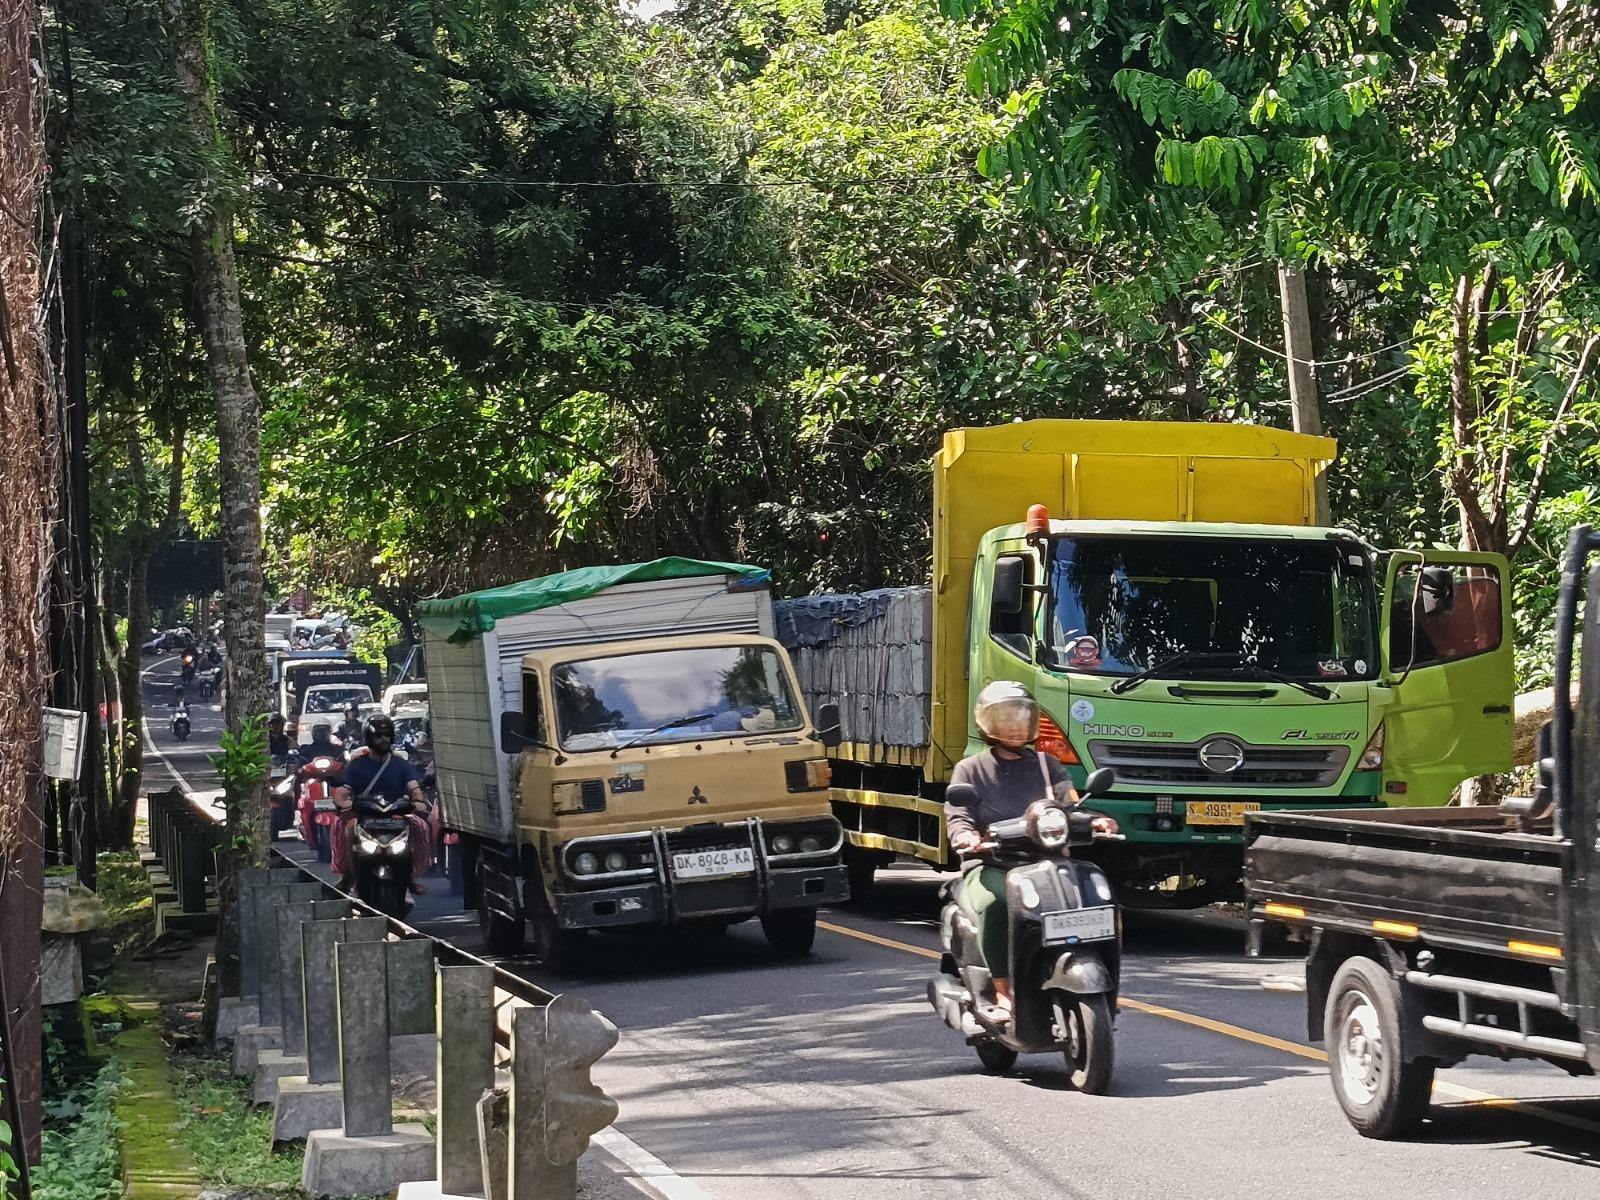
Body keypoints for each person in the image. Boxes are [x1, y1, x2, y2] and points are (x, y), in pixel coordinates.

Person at [944, 680, 1115, 1021]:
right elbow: (958, 816)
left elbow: (1070, 805)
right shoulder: (971, 768)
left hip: (1047, 863)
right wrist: (966, 836)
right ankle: (1003, 991)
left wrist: (1095, 820)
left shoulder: (1047, 765)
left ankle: (1095, 977)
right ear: (987, 723)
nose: (1014, 726)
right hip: (993, 864)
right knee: (996, 904)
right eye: (1005, 717)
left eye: (1021, 717)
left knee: (1094, 895)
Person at [331, 714, 432, 895]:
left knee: (421, 826)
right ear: (369, 738)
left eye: (387, 735)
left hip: (396, 813)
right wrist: (343, 803)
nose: (384, 739)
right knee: (343, 827)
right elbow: (343, 791)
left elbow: (414, 788)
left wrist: (418, 801)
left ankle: (411, 876)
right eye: (378, 736)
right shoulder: (356, 765)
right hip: (364, 814)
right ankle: (346, 875)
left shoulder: (400, 764)